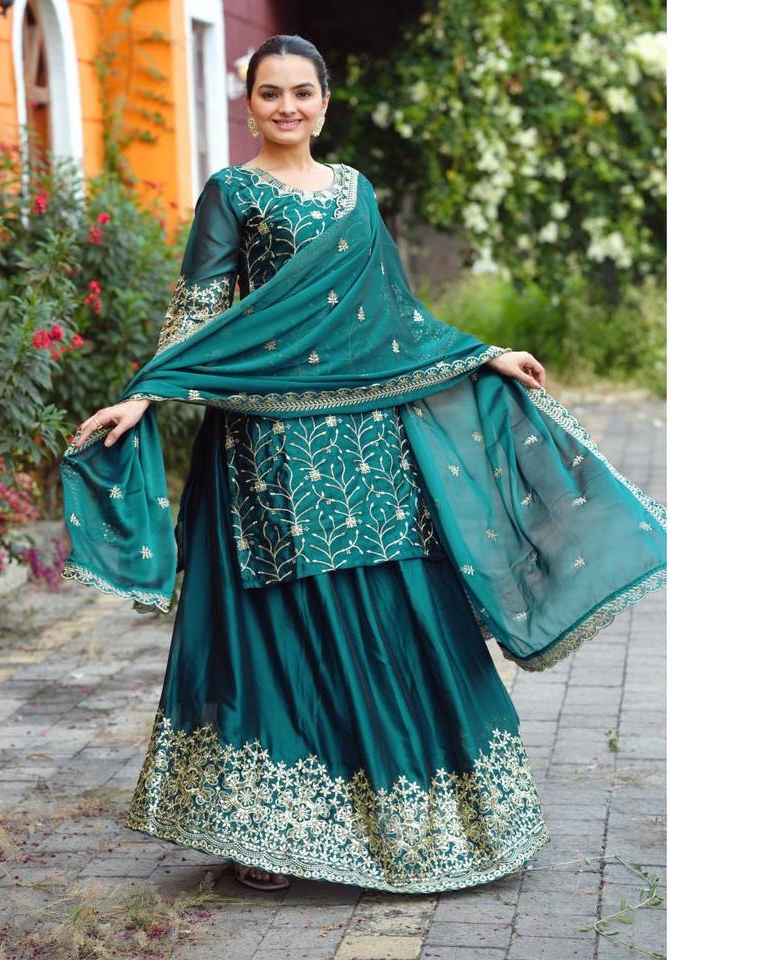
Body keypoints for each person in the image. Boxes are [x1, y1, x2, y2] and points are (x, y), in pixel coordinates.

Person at [62, 35, 666, 893]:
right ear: (249, 105)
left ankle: (429, 817)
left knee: (394, 606)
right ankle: (268, 832)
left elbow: (394, 313)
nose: (287, 107)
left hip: (370, 440)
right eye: (270, 93)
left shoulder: (356, 193)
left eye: (301, 92)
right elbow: (199, 311)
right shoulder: (231, 192)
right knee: (282, 624)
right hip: (268, 444)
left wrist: (481, 355)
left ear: (324, 100)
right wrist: (145, 396)